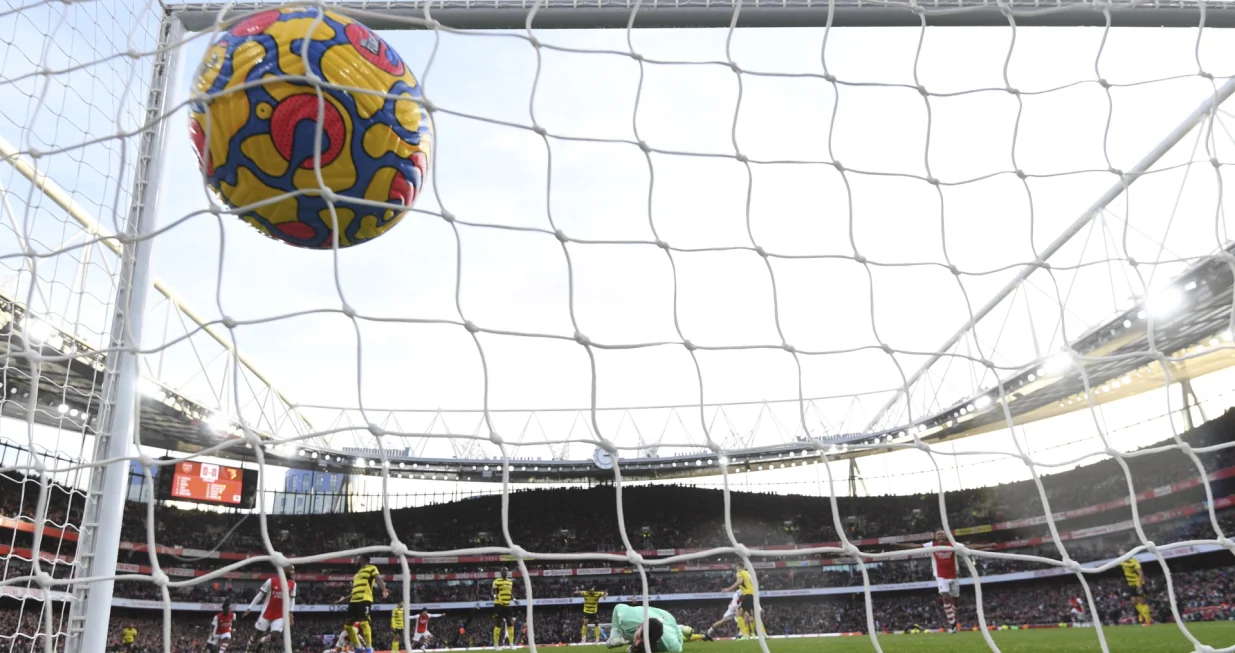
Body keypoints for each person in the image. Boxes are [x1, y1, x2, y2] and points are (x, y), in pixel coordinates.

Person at [892, 530, 992, 633]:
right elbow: (915, 546)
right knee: (945, 595)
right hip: (941, 577)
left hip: (954, 576)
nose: (940, 536)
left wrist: (988, 545)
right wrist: (899, 545)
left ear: (946, 536)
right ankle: (952, 623)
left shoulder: (953, 545)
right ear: (935, 537)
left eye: (942, 534)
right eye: (938, 534)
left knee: (956, 601)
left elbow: (970, 547)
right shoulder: (932, 545)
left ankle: (953, 616)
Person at [605, 603, 704, 653]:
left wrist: (635, 649)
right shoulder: (627, 618)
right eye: (640, 636)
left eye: (646, 642)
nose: (638, 642)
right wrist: (615, 634)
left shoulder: (670, 645)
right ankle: (681, 627)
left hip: (668, 618)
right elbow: (618, 606)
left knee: (682, 635)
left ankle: (680, 627)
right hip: (648, 614)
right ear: (639, 626)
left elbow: (679, 644)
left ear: (656, 642)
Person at [245, 566, 297, 653]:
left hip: (280, 615)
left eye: (293, 570)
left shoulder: (293, 584)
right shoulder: (271, 581)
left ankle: (262, 641)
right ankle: (248, 650)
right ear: (284, 570)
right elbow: (260, 595)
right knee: (256, 635)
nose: (293, 572)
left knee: (274, 637)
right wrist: (250, 607)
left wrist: (291, 613)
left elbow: (292, 599)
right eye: (291, 570)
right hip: (267, 613)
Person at [342, 556, 388, 653]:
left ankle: (369, 648)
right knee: (347, 626)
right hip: (353, 601)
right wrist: (344, 598)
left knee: (364, 623)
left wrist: (384, 589)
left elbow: (378, 578)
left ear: (363, 560)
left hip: (364, 599)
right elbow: (354, 591)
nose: (355, 561)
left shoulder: (371, 568)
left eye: (357, 559)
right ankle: (358, 647)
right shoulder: (356, 575)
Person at [719, 564, 758, 637]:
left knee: (740, 615)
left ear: (739, 568)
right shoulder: (748, 573)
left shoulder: (740, 572)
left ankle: (745, 634)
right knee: (749, 615)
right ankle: (751, 633)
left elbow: (739, 581)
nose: (736, 570)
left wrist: (728, 589)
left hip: (748, 594)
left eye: (736, 568)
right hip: (753, 594)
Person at [1121, 550, 1153, 626]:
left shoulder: (1135, 562)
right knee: (1134, 602)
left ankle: (1148, 620)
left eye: (1123, 554)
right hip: (1131, 584)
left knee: (1141, 601)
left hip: (1138, 583)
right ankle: (1142, 614)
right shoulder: (1122, 561)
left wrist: (1139, 585)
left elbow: (1141, 573)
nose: (1122, 556)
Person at [491, 569, 515, 649]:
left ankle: (511, 644)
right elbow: (493, 591)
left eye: (506, 571)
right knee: (498, 623)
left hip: (507, 605)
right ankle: (496, 645)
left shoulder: (510, 582)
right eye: (503, 571)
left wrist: (514, 599)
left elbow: (509, 592)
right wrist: (495, 596)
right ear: (501, 573)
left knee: (510, 623)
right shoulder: (496, 581)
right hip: (499, 604)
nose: (505, 572)